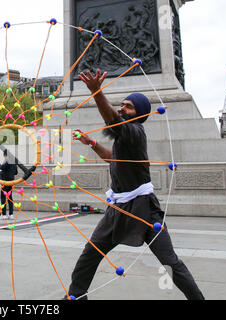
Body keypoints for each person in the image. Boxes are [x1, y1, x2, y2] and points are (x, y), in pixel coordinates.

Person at [65, 69, 204, 300]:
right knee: (90, 253)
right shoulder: (125, 139)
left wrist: (96, 92)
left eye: (128, 106)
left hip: (143, 210)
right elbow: (112, 157)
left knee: (169, 262)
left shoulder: (135, 132)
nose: (122, 108)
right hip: (118, 209)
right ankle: (77, 296)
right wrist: (90, 143)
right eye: (122, 105)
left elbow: (112, 119)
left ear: (138, 114)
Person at [0, 149, 17, 220]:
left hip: (5, 181)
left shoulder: (7, 160)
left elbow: (2, 167)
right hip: (11, 182)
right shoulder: (14, 162)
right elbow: (16, 172)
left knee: (3, 197)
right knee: (10, 198)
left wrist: (1, 169)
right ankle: (11, 214)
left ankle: (4, 214)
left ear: (5, 155)